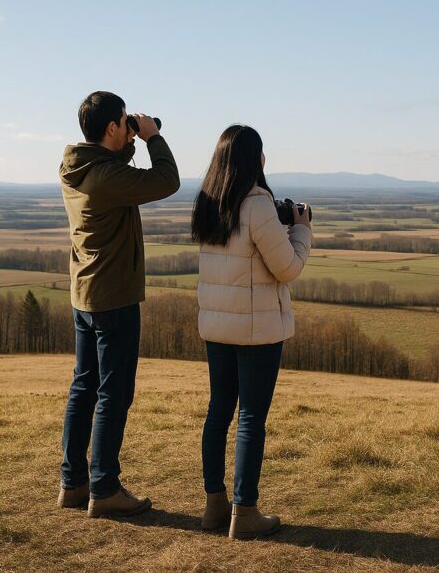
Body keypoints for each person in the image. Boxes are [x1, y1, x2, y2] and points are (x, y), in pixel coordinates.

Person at [57, 90, 180, 518]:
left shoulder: (80, 167)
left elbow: (112, 166)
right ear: (111, 127)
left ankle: (73, 483)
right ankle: (104, 488)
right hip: (114, 298)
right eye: (124, 121)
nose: (130, 125)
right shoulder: (107, 179)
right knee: (113, 392)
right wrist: (151, 138)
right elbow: (166, 181)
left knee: (83, 388)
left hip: (85, 296)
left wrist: (127, 141)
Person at [191, 124, 312, 539]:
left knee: (218, 411)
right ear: (255, 159)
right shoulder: (257, 204)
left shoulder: (208, 202)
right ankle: (245, 513)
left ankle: (213, 507)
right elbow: (289, 268)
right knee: (251, 419)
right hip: (258, 331)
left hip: (217, 327)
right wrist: (301, 228)